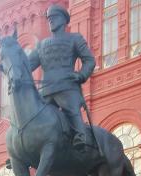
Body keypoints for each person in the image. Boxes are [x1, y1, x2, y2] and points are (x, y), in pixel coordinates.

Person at [26, 4, 96, 150]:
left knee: (72, 110)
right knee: (32, 116)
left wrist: (81, 75)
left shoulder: (74, 39)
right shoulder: (42, 45)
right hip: (45, 90)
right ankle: (23, 147)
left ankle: (81, 136)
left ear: (63, 20)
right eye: (49, 18)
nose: (50, 20)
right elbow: (28, 65)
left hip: (67, 87)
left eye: (54, 17)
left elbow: (89, 60)